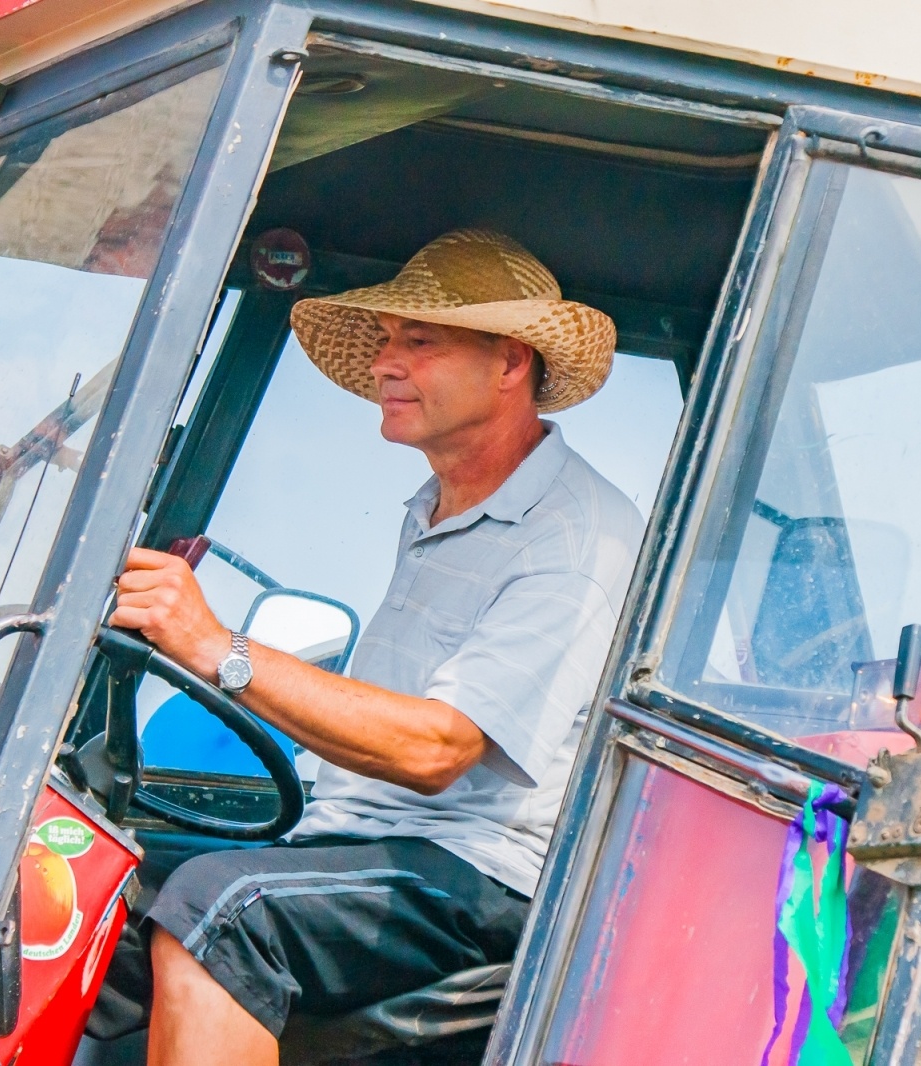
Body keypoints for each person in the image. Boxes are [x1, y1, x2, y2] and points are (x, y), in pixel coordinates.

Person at [106, 229, 644, 1065]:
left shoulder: (577, 538)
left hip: (481, 872)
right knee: (94, 884)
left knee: (224, 913)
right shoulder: (438, 507)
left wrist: (218, 647)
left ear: (510, 363)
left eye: (418, 343)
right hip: (367, 840)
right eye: (386, 341)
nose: (386, 364)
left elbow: (437, 748)